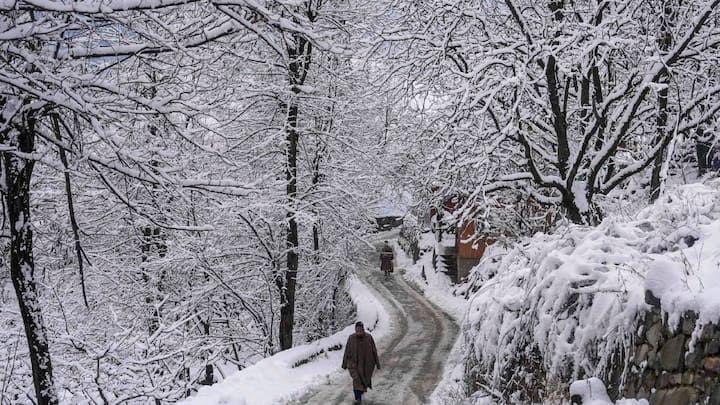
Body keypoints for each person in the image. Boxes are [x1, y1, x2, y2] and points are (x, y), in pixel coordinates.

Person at [341, 321, 380, 404]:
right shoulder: (351, 338)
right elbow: (347, 351)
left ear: (363, 330)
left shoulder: (369, 338)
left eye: (360, 331)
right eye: (357, 331)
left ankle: (361, 393)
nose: (359, 333)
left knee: (364, 380)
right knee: (356, 380)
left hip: (367, 364)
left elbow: (374, 350)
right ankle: (357, 398)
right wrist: (344, 364)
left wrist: (377, 363)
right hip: (354, 364)